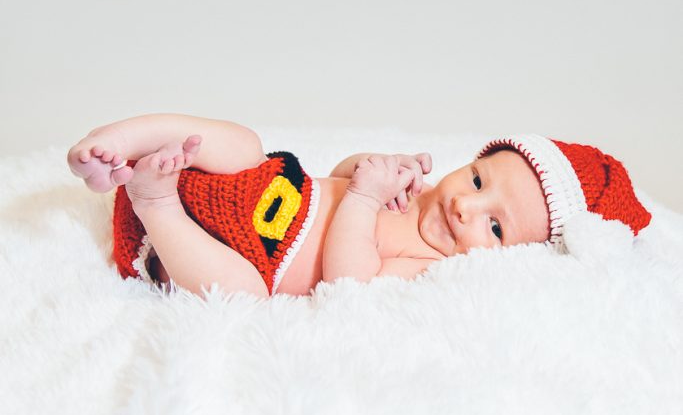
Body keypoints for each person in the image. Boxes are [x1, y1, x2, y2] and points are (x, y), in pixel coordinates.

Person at [67, 114, 651, 299]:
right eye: (477, 180)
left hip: (232, 252)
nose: (465, 208)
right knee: (245, 142)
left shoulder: (427, 264)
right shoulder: (418, 191)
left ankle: (154, 201)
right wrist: (370, 169)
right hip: (251, 186)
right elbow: (341, 176)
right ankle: (119, 145)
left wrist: (366, 200)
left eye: (495, 226)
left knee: (240, 294)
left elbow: (347, 280)